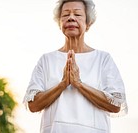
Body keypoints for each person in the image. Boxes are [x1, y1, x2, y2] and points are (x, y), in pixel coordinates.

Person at [23, 0, 128, 133]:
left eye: (77, 14)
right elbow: (32, 105)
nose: (71, 18)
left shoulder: (103, 59)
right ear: (59, 23)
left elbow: (116, 105)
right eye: (65, 15)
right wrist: (62, 84)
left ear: (88, 23)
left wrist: (78, 84)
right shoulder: (46, 60)